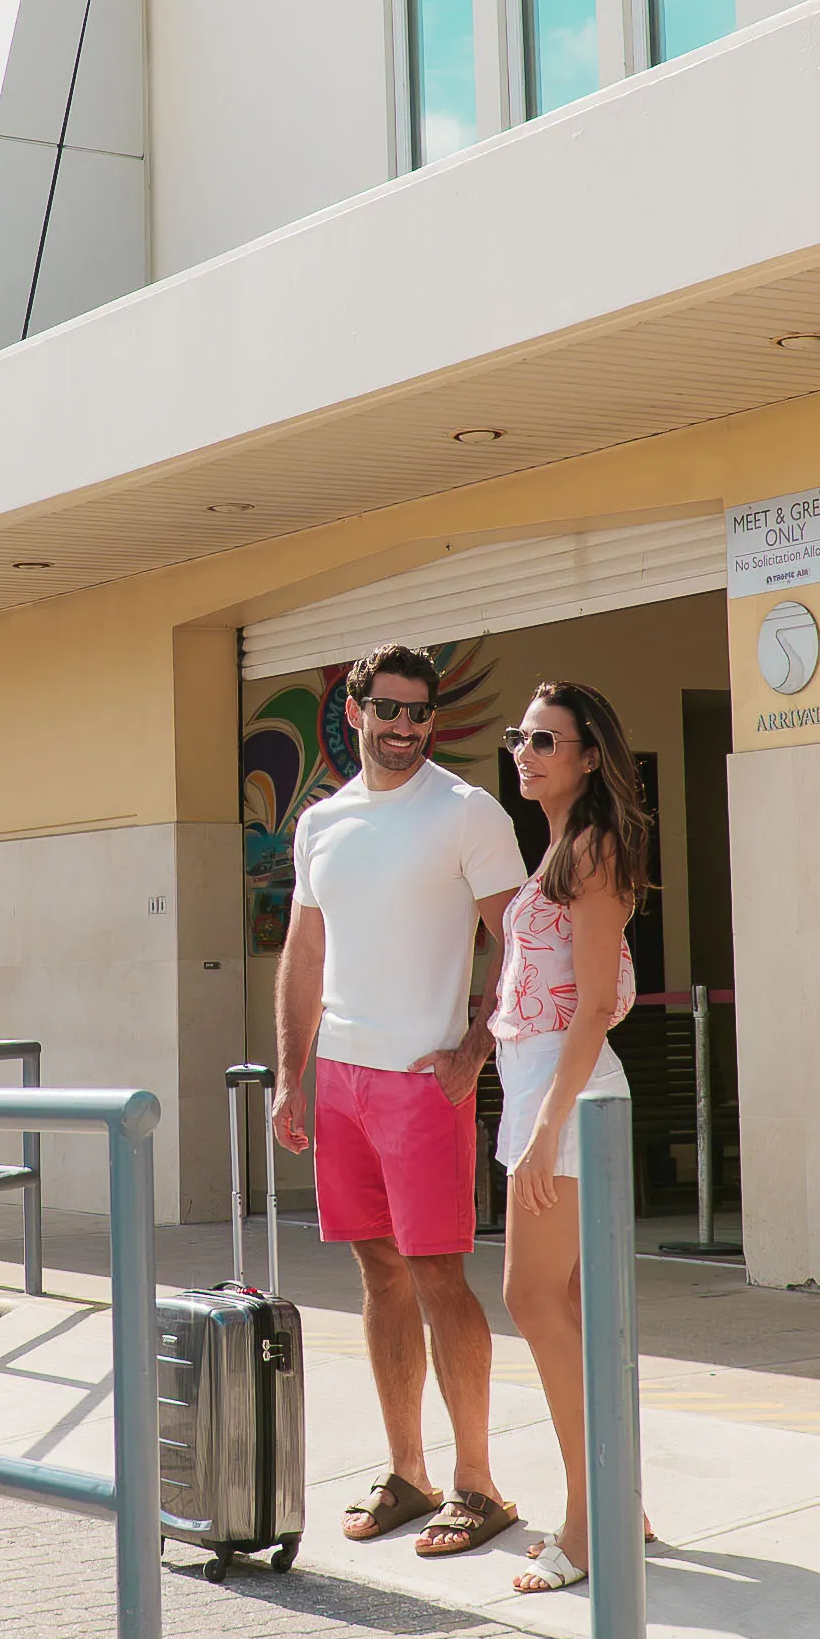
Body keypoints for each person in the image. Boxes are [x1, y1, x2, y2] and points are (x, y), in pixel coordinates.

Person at [275, 641, 529, 1562]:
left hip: (425, 1084)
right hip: (339, 1081)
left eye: (419, 714)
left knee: (438, 1276)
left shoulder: (468, 813)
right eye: (387, 711)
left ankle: (478, 1485)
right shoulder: (320, 825)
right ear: (355, 713)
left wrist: (476, 1049)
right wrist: (288, 1076)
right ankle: (409, 1473)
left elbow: (522, 944)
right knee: (378, 1276)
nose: (403, 729)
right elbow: (306, 957)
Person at [493, 681, 651, 1593]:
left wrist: (547, 1127)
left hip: (570, 1090)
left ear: (591, 757)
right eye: (521, 737)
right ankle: (617, 1509)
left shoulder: (589, 851)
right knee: (581, 1317)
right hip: (543, 1087)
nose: (528, 751)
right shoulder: (559, 846)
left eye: (547, 740)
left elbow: (593, 1003)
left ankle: (589, 1527)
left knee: (529, 1297)